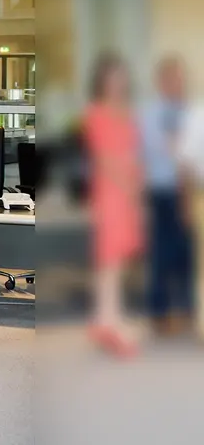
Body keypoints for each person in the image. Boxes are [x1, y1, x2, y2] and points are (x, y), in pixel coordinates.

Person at [84, 55, 143, 357]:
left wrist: (137, 188)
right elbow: (105, 159)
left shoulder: (128, 113)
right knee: (110, 259)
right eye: (112, 76)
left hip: (130, 192)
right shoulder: (96, 113)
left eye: (122, 76)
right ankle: (109, 320)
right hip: (111, 193)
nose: (118, 82)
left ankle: (106, 318)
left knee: (119, 260)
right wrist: (129, 186)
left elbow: (136, 153)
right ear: (102, 81)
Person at [142, 55, 193, 336]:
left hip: (185, 191)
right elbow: (161, 149)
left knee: (185, 256)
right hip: (159, 191)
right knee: (160, 255)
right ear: (161, 81)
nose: (177, 83)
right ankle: (160, 314)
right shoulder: (151, 113)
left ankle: (185, 312)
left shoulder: (189, 112)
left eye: (180, 77)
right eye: (172, 77)